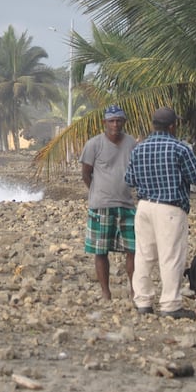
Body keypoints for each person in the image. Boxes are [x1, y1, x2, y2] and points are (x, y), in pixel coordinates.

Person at [124, 106, 196, 319]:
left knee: (144, 255)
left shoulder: (139, 149)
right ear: (173, 126)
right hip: (170, 208)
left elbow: (129, 180)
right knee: (171, 256)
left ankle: (143, 301)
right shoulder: (180, 148)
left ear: (153, 125)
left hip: (145, 206)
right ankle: (170, 304)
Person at [80, 104, 137, 301]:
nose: (115, 124)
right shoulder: (94, 144)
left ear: (124, 122)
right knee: (100, 250)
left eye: (119, 120)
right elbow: (86, 174)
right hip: (101, 205)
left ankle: (134, 289)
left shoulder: (131, 143)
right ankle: (105, 292)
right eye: (111, 121)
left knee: (133, 249)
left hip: (127, 204)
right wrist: (97, 192)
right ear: (105, 123)